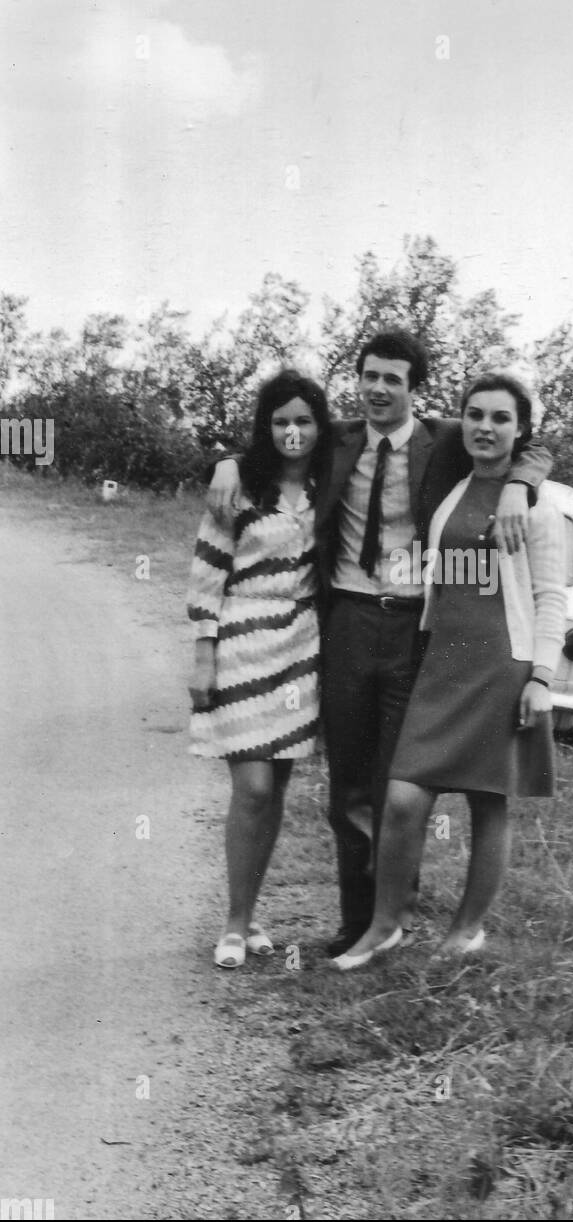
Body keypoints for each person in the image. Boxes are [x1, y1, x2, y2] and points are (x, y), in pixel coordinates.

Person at [207, 330, 552, 955]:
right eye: (369, 376)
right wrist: (228, 460)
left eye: (393, 379)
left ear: (415, 389)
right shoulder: (337, 440)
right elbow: (277, 436)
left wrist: (520, 485)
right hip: (346, 622)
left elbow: (530, 444)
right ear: (357, 378)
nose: (378, 389)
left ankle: (391, 916)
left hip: (414, 626)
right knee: (349, 786)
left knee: (398, 776)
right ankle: (358, 922)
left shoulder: (447, 437)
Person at [333, 372, 566, 970]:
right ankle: (384, 927)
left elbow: (549, 598)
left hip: (503, 666)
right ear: (461, 419)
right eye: (476, 415)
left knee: (490, 803)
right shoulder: (453, 485)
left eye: (500, 418)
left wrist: (541, 677)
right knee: (405, 797)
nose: (485, 427)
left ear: (520, 430)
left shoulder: (541, 503)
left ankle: (468, 930)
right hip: (442, 663)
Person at [187, 370, 331, 968]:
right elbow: (208, 566)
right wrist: (202, 652)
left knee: (276, 793)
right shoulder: (240, 487)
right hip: (241, 645)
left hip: (301, 648)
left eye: (302, 420)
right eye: (279, 421)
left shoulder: (332, 485)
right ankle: (233, 922)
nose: (291, 432)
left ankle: (253, 917)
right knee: (251, 788)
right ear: (264, 427)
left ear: (318, 426)